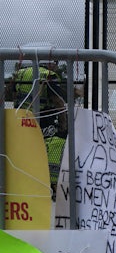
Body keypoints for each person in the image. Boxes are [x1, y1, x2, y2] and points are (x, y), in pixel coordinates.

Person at [5, 61, 69, 191]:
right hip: (44, 121)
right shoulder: (49, 75)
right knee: (56, 144)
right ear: (50, 64)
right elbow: (57, 100)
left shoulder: (21, 73)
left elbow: (13, 95)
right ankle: (52, 184)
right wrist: (64, 123)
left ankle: (23, 182)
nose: (56, 66)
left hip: (22, 122)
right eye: (55, 63)